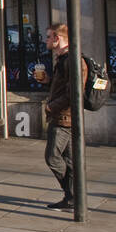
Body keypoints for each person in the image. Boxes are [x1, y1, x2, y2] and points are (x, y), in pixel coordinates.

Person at [37, 23, 89, 210]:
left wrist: (51, 107)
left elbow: (73, 93)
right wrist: (48, 81)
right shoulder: (64, 59)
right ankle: (73, 198)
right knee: (69, 161)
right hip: (64, 116)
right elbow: (64, 88)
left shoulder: (72, 60)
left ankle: (74, 195)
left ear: (58, 39)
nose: (46, 40)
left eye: (49, 37)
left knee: (52, 157)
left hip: (64, 118)